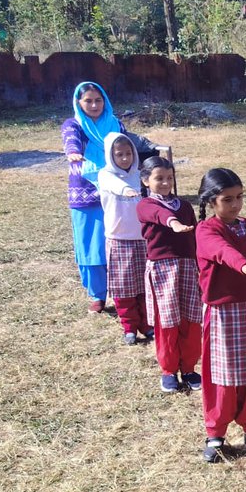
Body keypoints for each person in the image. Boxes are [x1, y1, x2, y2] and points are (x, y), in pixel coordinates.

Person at [61, 81, 165, 313]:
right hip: (87, 191)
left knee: (122, 244)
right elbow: (71, 140)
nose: (94, 105)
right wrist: (74, 153)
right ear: (79, 102)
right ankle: (97, 294)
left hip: (120, 190)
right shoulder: (73, 124)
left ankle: (126, 292)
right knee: (92, 245)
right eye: (88, 100)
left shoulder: (114, 123)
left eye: (98, 100)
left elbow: (126, 144)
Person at [195, 168, 246, 463]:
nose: (236, 205)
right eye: (228, 199)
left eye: (240, 197)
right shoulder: (206, 230)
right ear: (212, 201)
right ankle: (216, 432)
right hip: (223, 312)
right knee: (222, 375)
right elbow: (223, 252)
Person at [138, 156, 202, 394]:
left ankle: (188, 368)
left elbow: (194, 237)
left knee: (191, 319)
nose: (165, 183)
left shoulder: (184, 206)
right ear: (145, 181)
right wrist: (173, 223)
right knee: (168, 322)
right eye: (159, 179)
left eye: (169, 178)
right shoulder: (145, 205)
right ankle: (168, 370)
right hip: (163, 270)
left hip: (187, 267)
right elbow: (159, 215)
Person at [96, 134, 150, 346]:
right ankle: (129, 327)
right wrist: (126, 190)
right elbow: (113, 185)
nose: (125, 158)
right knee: (124, 288)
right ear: (111, 156)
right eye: (119, 154)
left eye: (128, 153)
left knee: (145, 287)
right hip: (119, 240)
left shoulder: (140, 176)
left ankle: (146, 325)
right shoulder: (105, 175)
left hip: (142, 238)